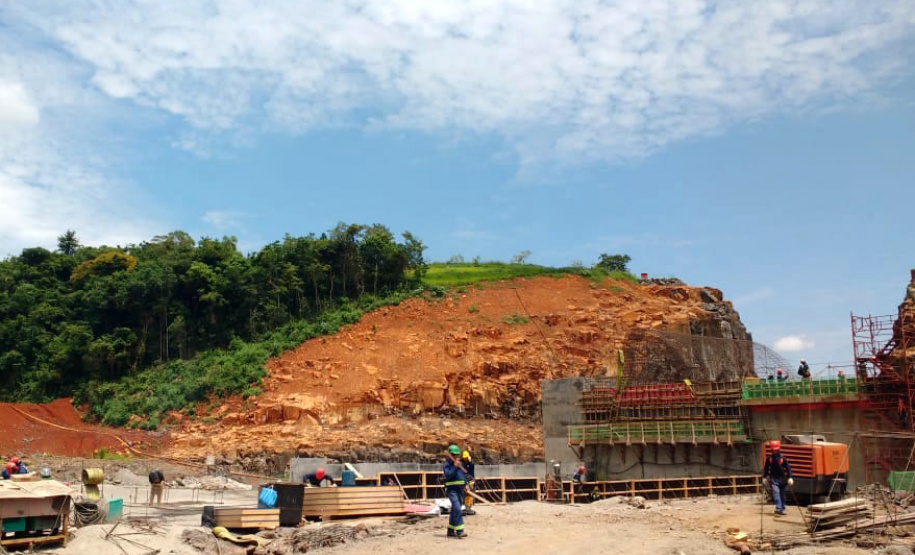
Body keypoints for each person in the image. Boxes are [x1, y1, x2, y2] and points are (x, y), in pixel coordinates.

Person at [762, 440, 793, 516]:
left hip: (783, 479)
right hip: (773, 479)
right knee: (776, 493)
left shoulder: (783, 459)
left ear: (779, 449)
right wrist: (764, 477)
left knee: (782, 494)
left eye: (776, 450)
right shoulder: (769, 459)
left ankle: (782, 508)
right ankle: (779, 508)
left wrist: (790, 477)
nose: (775, 451)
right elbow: (766, 468)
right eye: (774, 450)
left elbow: (788, 468)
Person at [443, 444, 467, 538]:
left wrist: (466, 484)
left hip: (460, 489)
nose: (455, 457)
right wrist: (455, 467)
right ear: (449, 455)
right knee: (457, 508)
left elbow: (462, 477)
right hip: (451, 490)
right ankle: (460, 531)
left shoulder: (460, 465)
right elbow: (448, 476)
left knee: (454, 510)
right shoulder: (447, 466)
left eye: (457, 455)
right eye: (453, 455)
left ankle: (450, 530)